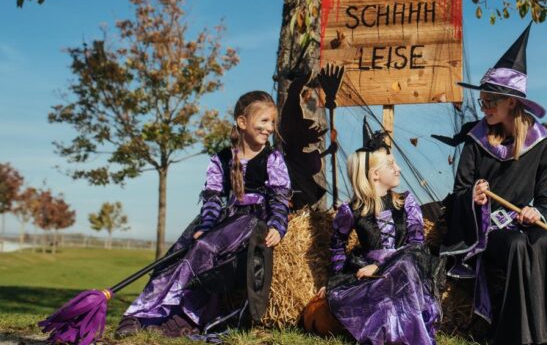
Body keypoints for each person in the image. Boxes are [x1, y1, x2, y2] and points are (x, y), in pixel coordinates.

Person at [115, 90, 291, 338]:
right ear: (242, 122)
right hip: (222, 218)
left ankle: (184, 317)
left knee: (206, 248)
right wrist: (206, 223)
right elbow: (212, 199)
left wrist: (277, 226)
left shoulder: (272, 159)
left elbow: (280, 199)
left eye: (272, 122)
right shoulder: (221, 159)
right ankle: (140, 314)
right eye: (263, 121)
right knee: (178, 252)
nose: (269, 128)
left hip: (251, 220)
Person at [441, 25, 547, 344]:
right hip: (486, 229)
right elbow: (461, 190)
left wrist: (537, 215)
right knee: (514, 245)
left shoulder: (543, 144)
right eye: (483, 100)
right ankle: (515, 335)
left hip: (522, 224)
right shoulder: (476, 140)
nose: (484, 106)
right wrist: (473, 197)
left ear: (512, 103)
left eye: (491, 101)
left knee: (544, 242)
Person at [318, 119, 444, 345]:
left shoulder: (406, 203)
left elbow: (417, 245)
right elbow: (338, 245)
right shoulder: (351, 210)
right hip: (373, 277)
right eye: (392, 164)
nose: (399, 168)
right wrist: (339, 278)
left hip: (408, 270)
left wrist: (381, 265)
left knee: (407, 262)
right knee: (383, 307)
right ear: (375, 174)